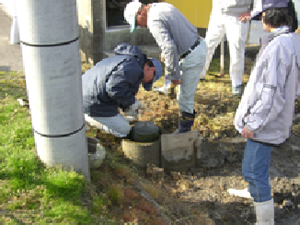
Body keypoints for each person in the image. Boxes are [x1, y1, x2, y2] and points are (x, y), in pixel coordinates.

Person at [228, 0, 299, 224]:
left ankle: (265, 221)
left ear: (271, 15)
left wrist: (254, 123)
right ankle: (253, 192)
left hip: (266, 122)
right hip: (275, 117)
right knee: (259, 164)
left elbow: (272, 91)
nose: (261, 22)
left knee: (252, 169)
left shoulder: (279, 46)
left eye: (262, 17)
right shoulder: (292, 40)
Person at [124, 2, 207, 133]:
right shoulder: (161, 6)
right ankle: (169, 89)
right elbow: (175, 30)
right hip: (196, 44)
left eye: (137, 23)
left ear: (140, 13)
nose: (140, 26)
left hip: (192, 55)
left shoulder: (153, 21)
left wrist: (175, 77)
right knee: (168, 58)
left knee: (184, 98)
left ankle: (184, 132)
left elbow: (169, 48)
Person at [82, 43, 162, 138]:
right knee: (125, 130)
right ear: (151, 69)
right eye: (150, 80)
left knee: (122, 121)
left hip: (85, 92)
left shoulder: (128, 60)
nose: (145, 82)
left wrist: (126, 106)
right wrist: (131, 103)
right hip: (92, 101)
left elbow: (117, 88)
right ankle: (90, 119)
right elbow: (114, 88)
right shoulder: (134, 67)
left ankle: (97, 116)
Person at [199, 0, 254, 96]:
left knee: (236, 50)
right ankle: (199, 74)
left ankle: (236, 83)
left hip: (238, 13)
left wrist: (252, 11)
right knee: (208, 45)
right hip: (218, 11)